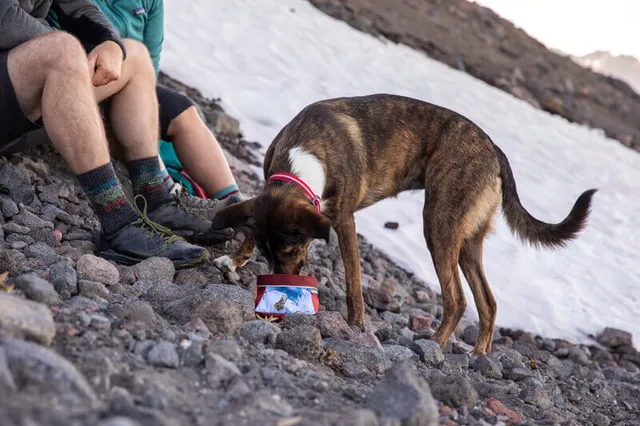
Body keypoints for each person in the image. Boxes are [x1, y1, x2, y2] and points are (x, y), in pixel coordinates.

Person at [0, 0, 228, 269]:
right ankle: (118, 222)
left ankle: (156, 197)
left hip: (18, 96)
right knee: (63, 48)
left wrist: (109, 43)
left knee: (134, 55)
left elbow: (78, 6)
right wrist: (74, 55)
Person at [57, 0, 246, 218]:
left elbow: (151, 62)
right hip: (83, 80)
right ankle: (163, 192)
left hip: (128, 80)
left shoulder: (151, 2)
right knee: (125, 115)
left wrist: (141, 99)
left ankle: (238, 208)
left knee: (180, 107)